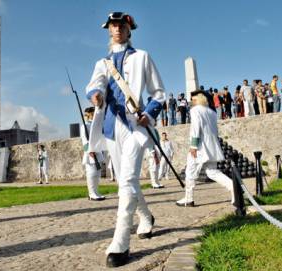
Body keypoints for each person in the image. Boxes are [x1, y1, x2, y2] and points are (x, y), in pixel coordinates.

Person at [85, 12, 165, 267]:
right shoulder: (102, 63)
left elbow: (159, 92)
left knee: (129, 179)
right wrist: (96, 95)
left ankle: (120, 242)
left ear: (130, 29)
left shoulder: (142, 57)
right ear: (108, 30)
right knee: (124, 182)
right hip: (111, 126)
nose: (117, 29)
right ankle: (146, 217)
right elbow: (93, 85)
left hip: (134, 126)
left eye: (121, 25)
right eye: (113, 26)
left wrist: (150, 113)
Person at [176, 90, 238, 212]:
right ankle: (234, 189)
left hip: (200, 146)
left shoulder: (195, 110)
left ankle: (189, 199)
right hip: (212, 145)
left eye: (193, 100)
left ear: (198, 100)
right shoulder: (212, 112)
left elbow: (195, 128)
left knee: (190, 171)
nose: (191, 102)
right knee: (212, 172)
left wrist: (193, 146)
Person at [81, 107, 105, 200]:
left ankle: (96, 191)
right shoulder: (85, 125)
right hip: (90, 152)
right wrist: (89, 150)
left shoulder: (97, 124)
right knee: (91, 173)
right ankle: (91, 193)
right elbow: (84, 140)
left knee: (97, 173)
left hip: (98, 150)